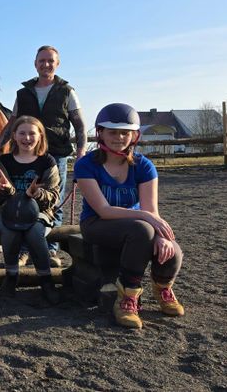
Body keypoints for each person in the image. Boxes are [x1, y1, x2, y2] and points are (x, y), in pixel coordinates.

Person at [75, 103, 184, 329]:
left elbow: (150, 210)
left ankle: (162, 287)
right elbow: (103, 210)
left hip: (137, 223)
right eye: (112, 132)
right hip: (97, 223)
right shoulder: (85, 165)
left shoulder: (144, 166)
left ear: (134, 135)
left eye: (125, 132)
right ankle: (127, 297)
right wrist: (148, 218)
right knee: (142, 231)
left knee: (172, 251)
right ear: (100, 133)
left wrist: (162, 236)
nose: (119, 137)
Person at [0, 45, 87, 267]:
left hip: (57, 151)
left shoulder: (67, 92)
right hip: (27, 150)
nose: (46, 64)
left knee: (52, 200)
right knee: (24, 197)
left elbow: (80, 125)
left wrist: (81, 151)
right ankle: (25, 251)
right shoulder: (23, 93)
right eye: (42, 61)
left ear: (57, 64)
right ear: (35, 64)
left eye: (50, 61)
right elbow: (12, 122)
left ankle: (49, 249)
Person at [0, 116, 61, 304]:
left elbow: (53, 196)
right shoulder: (3, 161)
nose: (27, 138)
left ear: (40, 136)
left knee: (35, 232)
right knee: (9, 230)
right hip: (8, 211)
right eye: (22, 133)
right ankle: (11, 276)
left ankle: (46, 280)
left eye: (32, 133)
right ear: (14, 135)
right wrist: (6, 190)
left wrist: (37, 193)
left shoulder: (47, 162)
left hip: (39, 212)